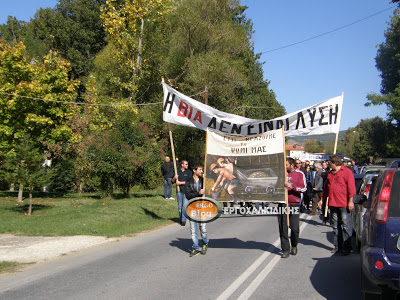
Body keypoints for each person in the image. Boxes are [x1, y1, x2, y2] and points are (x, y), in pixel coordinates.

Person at [318, 155, 356, 255]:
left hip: (343, 203)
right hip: (332, 203)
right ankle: (337, 246)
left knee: (346, 225)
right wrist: (322, 199)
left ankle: (347, 247)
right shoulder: (330, 174)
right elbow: (326, 189)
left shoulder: (347, 172)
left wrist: (350, 201)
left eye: (330, 163)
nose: (328, 165)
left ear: (334, 163)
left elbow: (351, 188)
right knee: (335, 225)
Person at [278, 157, 307, 258]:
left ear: (291, 165)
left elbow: (304, 188)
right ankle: (285, 249)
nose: (284, 167)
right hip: (282, 203)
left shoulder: (299, 174)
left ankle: (294, 244)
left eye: (286, 165)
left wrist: (292, 187)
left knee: (294, 228)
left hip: (294, 203)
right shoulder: (280, 174)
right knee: (283, 227)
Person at [184, 163, 209, 257]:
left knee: (203, 228)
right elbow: (188, 195)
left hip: (203, 208)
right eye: (200, 169)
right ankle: (195, 248)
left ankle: (205, 242)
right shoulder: (189, 181)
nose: (201, 171)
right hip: (192, 208)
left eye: (202, 170)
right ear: (194, 170)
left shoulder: (204, 181)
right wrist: (198, 193)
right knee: (193, 230)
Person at [173, 160, 192, 226]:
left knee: (184, 206)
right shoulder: (177, 172)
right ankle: (181, 219)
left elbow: (189, 182)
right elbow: (172, 181)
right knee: (180, 207)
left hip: (186, 191)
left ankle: (183, 220)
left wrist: (180, 183)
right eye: (186, 164)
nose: (187, 165)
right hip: (179, 191)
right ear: (182, 165)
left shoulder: (189, 172)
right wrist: (174, 178)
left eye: (187, 164)